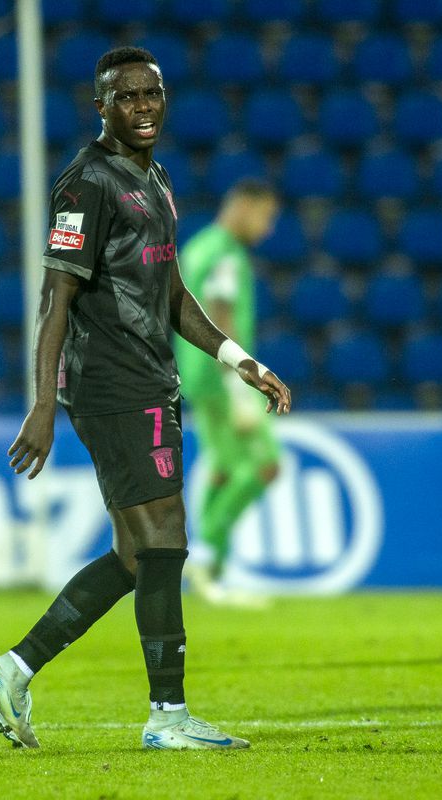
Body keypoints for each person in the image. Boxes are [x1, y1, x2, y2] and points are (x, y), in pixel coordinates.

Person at [0, 46, 292, 751]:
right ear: (101, 106)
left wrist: (240, 360)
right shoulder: (84, 186)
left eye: (153, 94)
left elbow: (172, 293)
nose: (143, 108)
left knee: (135, 554)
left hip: (151, 378)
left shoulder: (157, 178)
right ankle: (167, 717)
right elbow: (56, 297)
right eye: (128, 97)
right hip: (110, 384)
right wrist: (44, 401)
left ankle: (11, 670)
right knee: (165, 537)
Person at [175, 179, 282, 605]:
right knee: (264, 466)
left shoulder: (198, 247)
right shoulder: (225, 255)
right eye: (265, 216)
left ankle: (214, 571)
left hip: (196, 373)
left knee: (222, 468)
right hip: (223, 378)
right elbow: (220, 312)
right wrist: (240, 385)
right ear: (243, 206)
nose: (267, 228)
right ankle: (206, 557)